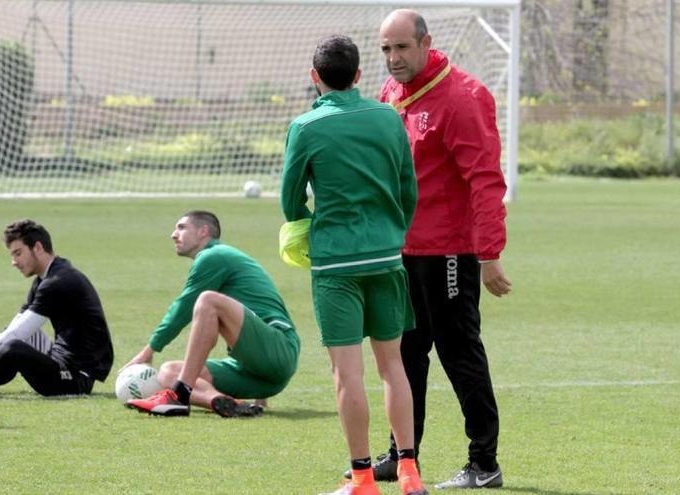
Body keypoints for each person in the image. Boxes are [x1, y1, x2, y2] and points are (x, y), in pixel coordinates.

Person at [356, 9, 513, 490]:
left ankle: (483, 463)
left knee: (459, 351)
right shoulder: (389, 94)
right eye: (385, 49)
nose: (393, 58)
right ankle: (403, 457)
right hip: (401, 251)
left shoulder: (464, 97)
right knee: (404, 355)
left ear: (426, 42)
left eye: (401, 47)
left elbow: (485, 180)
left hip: (449, 253)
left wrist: (488, 253)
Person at [280, 36, 426, 495]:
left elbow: (290, 202)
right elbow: (409, 189)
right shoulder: (388, 116)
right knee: (394, 367)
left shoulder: (305, 126)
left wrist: (310, 227)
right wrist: (391, 231)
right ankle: (409, 473)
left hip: (336, 264)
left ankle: (362, 477)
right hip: (387, 257)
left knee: (348, 373)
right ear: (360, 75)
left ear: (314, 77)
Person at [122, 210, 300, 418]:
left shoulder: (214, 255)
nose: (173, 234)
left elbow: (183, 307)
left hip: (280, 350)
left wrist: (150, 349)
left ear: (203, 231)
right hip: (259, 376)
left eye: (181, 227)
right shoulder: (222, 257)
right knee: (168, 372)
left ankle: (179, 397)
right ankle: (226, 403)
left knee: (208, 300)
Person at [0, 219, 114, 397]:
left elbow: (14, 336)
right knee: (18, 335)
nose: (14, 262)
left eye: (18, 253)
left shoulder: (58, 282)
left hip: (76, 377)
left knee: (14, 346)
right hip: (58, 359)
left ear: (37, 247)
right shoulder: (45, 278)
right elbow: (13, 330)